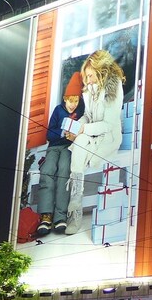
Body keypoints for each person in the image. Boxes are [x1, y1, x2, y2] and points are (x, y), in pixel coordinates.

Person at [65, 49, 125, 234]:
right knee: (80, 139)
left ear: (101, 71)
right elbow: (87, 116)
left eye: (90, 76)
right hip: (91, 135)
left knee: (81, 142)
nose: (87, 80)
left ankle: (74, 210)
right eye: (86, 76)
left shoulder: (113, 89)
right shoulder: (89, 89)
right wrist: (75, 127)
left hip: (109, 137)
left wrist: (84, 130)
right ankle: (75, 206)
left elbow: (108, 124)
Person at [36, 72, 85, 236]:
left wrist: (74, 135)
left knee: (64, 172)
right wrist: (63, 133)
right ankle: (46, 216)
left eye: (76, 100)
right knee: (47, 171)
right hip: (54, 147)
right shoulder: (58, 110)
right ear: (65, 99)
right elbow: (49, 134)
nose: (73, 104)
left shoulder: (81, 113)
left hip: (68, 148)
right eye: (70, 100)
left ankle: (60, 216)